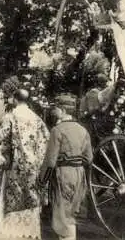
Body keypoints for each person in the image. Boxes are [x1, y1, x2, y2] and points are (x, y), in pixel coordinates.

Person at [0, 89, 50, 239]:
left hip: (14, 164)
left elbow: (2, 140)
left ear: (16, 100)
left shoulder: (10, 117)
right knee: (30, 194)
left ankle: (10, 229)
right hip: (32, 166)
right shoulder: (37, 119)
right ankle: (29, 230)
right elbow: (45, 142)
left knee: (11, 194)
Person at [38, 94, 93, 240]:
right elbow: (89, 158)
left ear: (62, 110)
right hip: (79, 175)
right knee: (71, 214)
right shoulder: (83, 130)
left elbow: (50, 161)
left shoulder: (57, 130)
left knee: (61, 213)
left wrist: (41, 181)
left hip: (63, 174)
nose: (53, 111)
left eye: (55, 108)